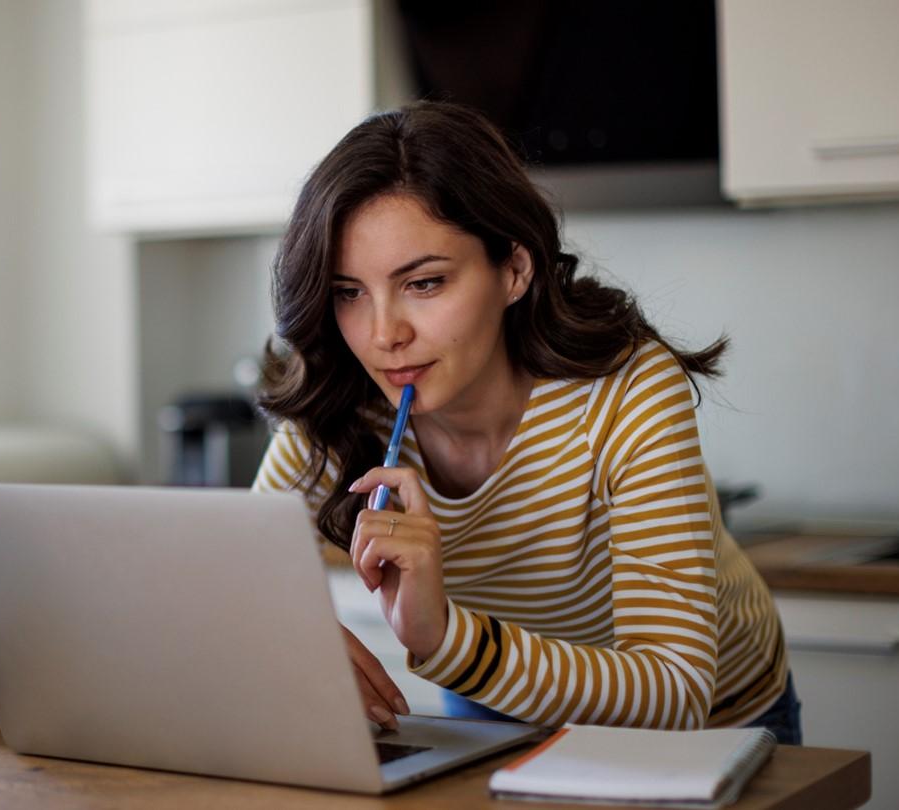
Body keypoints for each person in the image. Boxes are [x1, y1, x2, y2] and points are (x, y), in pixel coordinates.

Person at [251, 102, 800, 743]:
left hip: (713, 725)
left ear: (513, 269)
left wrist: (447, 639)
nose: (383, 336)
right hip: (497, 702)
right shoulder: (343, 397)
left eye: (424, 283)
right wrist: (292, 636)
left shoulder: (626, 388)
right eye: (349, 292)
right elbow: (237, 581)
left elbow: (675, 689)